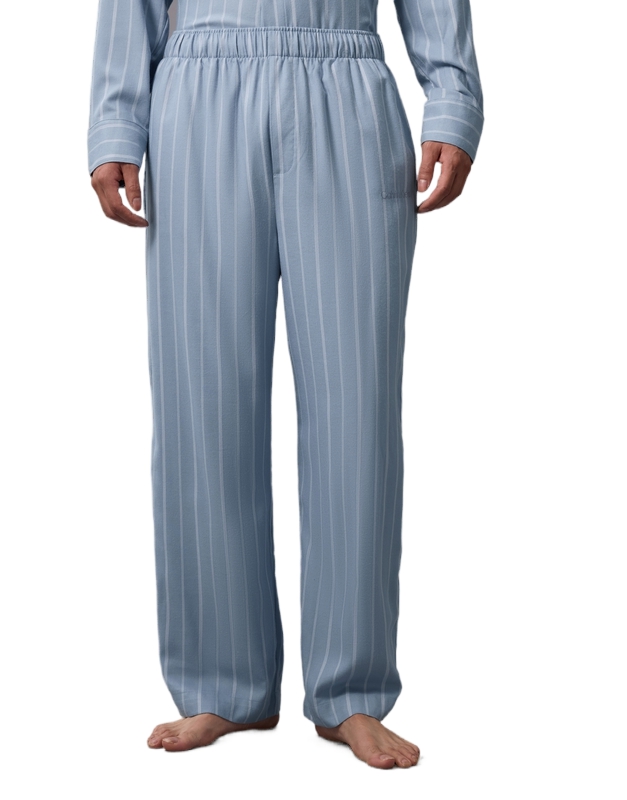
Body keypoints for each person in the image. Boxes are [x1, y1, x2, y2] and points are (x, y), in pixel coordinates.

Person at [88, 0, 483, 770]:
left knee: (357, 407)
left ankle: (352, 688)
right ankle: (221, 680)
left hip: (345, 83)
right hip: (197, 94)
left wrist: (452, 97)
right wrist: (114, 120)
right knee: (199, 402)